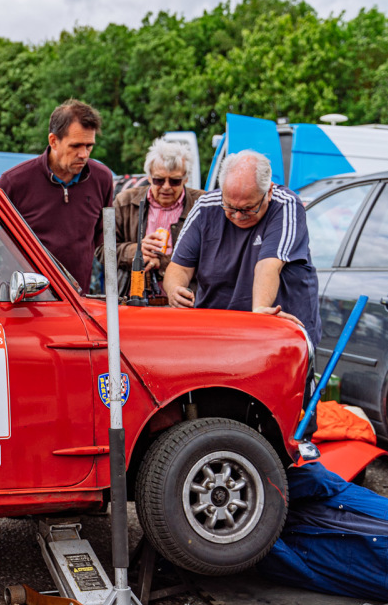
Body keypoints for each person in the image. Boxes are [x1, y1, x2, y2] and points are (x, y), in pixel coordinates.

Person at [164, 149, 322, 457]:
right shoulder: (206, 207)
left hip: (277, 336)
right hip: (220, 338)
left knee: (283, 424)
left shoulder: (287, 206)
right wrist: (174, 289)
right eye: (230, 207)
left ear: (269, 192)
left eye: (247, 210)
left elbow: (269, 264)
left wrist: (260, 311)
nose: (237, 216)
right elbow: (178, 267)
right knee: (219, 419)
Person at [0, 99, 114, 294]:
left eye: (89, 146)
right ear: (53, 140)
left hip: (77, 301)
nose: (84, 154)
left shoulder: (102, 179)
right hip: (23, 301)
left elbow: (103, 240)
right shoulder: (15, 182)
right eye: (76, 146)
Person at [101, 137, 205, 293]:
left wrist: (162, 262)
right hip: (133, 296)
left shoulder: (202, 204)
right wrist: (136, 251)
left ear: (186, 179)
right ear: (148, 177)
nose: (166, 187)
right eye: (158, 180)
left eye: (175, 181)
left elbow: (213, 255)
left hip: (185, 298)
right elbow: (101, 249)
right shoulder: (124, 201)